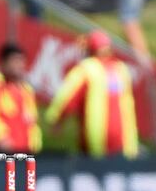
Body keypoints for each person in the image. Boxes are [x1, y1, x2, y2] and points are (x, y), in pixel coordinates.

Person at [45, 30, 139, 158]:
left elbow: (67, 97)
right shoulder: (122, 70)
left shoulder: (87, 69)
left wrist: (56, 118)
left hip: (96, 139)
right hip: (125, 140)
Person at [0, 43, 42, 153]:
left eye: (21, 61)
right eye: (15, 61)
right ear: (3, 62)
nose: (19, 65)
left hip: (24, 157)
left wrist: (35, 147)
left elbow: (32, 123)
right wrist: (1, 138)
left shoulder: (26, 90)